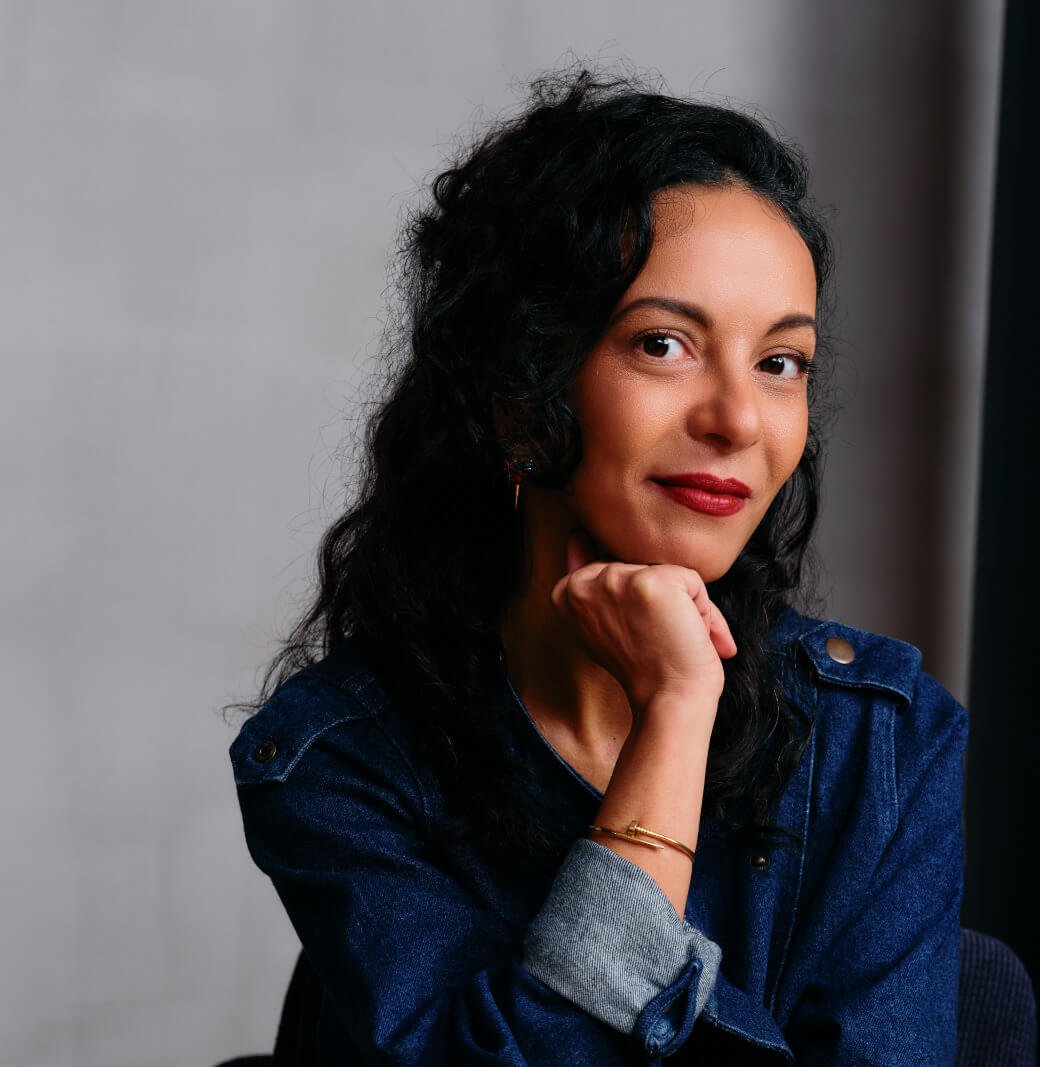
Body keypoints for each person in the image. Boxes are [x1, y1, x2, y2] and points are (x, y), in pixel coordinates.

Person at [231, 69, 967, 1066]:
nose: (738, 419)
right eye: (663, 344)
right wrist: (673, 716)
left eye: (780, 362)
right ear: (518, 396)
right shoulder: (341, 760)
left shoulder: (881, 739)